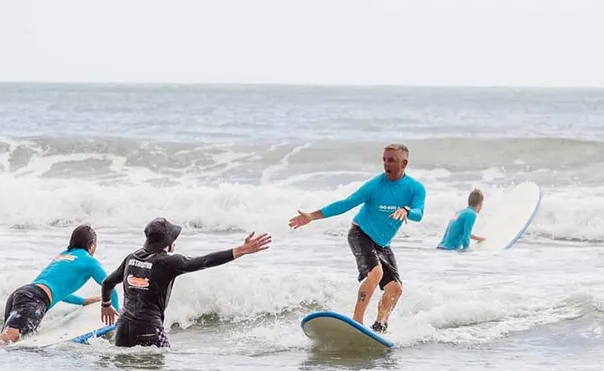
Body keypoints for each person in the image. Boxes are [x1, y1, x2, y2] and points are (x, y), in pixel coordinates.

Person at [288, 143, 426, 333]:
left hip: (383, 243)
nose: (386, 164)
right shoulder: (374, 186)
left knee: (395, 289)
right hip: (361, 234)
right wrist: (312, 216)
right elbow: (346, 204)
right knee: (375, 273)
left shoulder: (415, 188)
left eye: (391, 160)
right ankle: (357, 321)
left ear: (404, 163)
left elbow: (419, 213)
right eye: (384, 159)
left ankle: (379, 327)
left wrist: (407, 210)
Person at [99, 217, 271, 348]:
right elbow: (205, 261)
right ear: (167, 242)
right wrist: (241, 250)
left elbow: (107, 282)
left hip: (122, 330)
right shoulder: (168, 262)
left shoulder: (132, 258)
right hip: (149, 330)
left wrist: (106, 304)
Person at [0, 224, 120, 344]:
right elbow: (109, 286)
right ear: (92, 245)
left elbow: (57, 292)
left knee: (11, 342)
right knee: (7, 340)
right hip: (34, 299)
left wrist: (83, 301)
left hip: (23, 294)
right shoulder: (90, 261)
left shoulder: (63, 255)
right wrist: (118, 314)